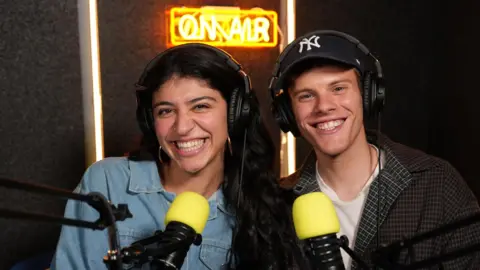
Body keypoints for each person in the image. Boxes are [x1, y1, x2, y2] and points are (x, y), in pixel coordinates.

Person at [50, 43, 305, 270]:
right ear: (151, 122)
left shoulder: (259, 207)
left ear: (235, 114)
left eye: (201, 106)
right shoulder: (108, 182)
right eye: (165, 111)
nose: (182, 127)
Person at [268, 30, 480, 269]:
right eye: (306, 95)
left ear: (368, 95)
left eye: (338, 88)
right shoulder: (275, 205)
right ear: (288, 114)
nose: (324, 106)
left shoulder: (437, 185)